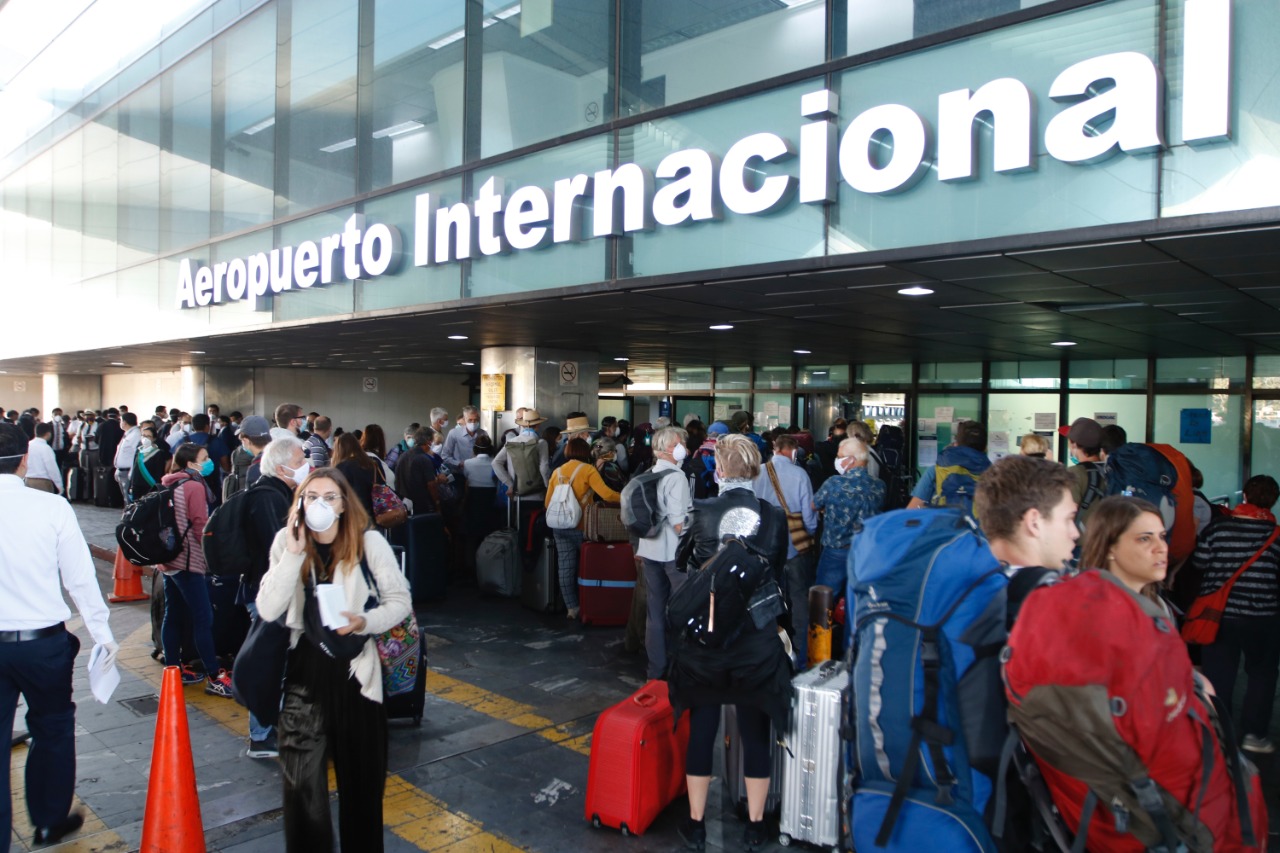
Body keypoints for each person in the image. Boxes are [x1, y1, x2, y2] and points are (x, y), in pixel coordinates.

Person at [257, 467, 411, 852]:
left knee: (362, 791)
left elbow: (400, 602)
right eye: (311, 497)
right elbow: (268, 607)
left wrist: (364, 621)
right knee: (302, 792)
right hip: (303, 677)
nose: (320, 504)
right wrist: (293, 555)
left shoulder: (368, 542)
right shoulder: (285, 542)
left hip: (358, 676)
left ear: (344, 505)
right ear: (299, 503)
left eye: (329, 497)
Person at [668, 433, 791, 852]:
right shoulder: (773, 517)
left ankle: (697, 824)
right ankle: (756, 826)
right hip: (756, 639)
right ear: (754, 470)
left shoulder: (700, 510)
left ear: (718, 470)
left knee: (702, 731)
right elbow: (775, 567)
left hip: (707, 639)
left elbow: (684, 561)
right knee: (754, 731)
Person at [0, 422, 117, 847]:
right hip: (42, 643)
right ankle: (48, 821)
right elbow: (81, 579)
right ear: (25, 458)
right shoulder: (50, 507)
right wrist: (103, 637)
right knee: (51, 727)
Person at [1192, 475, 1280, 753]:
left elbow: (1199, 562)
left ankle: (1219, 734)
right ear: (1274, 502)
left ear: (1244, 497)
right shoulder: (1276, 536)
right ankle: (1254, 735)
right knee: (1262, 674)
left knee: (1219, 674)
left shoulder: (1218, 528)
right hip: (1263, 616)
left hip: (1219, 615)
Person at [240, 437, 309, 759]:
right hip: (267, 595)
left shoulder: (279, 492)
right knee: (267, 665)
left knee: (278, 664)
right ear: (281, 467)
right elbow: (278, 550)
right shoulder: (268, 498)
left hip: (274, 592)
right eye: (299, 461)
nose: (304, 465)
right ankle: (261, 735)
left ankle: (273, 728)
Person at [159, 443, 235, 697]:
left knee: (173, 614)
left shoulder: (170, 482)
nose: (209, 461)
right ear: (191, 464)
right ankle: (215, 676)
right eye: (204, 458)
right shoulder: (193, 486)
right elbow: (200, 526)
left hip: (168, 560)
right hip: (188, 562)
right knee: (204, 618)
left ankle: (173, 668)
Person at [974, 455, 1079, 624]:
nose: (1075, 533)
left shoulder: (960, 587)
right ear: (1034, 522)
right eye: (1069, 519)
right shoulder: (1058, 603)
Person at [753, 433, 818, 664]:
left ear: (775, 448)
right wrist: (808, 534)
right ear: (793, 451)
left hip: (765, 545)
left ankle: (771, 646)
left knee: (768, 595)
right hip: (793, 544)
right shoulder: (800, 473)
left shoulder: (758, 471)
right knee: (799, 596)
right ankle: (801, 650)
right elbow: (808, 514)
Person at [635, 427, 693, 680]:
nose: (686, 449)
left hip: (649, 550)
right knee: (684, 609)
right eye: (681, 443)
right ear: (670, 448)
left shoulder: (649, 474)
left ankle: (654, 672)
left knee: (655, 613)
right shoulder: (676, 476)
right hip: (673, 554)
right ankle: (684, 667)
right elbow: (679, 523)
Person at [544, 438, 622, 620]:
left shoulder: (557, 472)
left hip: (560, 526)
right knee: (591, 566)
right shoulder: (588, 470)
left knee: (565, 567)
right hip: (582, 527)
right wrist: (626, 497)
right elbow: (607, 494)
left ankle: (572, 608)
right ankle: (592, 604)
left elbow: (548, 502)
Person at [812, 437, 885, 592]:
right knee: (859, 598)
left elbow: (814, 505)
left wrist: (827, 509)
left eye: (839, 457)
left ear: (851, 460)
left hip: (836, 551)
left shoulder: (834, 483)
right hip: (866, 551)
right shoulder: (879, 485)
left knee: (824, 599)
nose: (837, 460)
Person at [1079, 495, 1170, 608]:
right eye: (1144, 539)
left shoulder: (1158, 606)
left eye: (1162, 536)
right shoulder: (1085, 606)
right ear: (1109, 548)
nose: (1162, 548)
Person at [906, 420, 990, 510]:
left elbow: (912, 510)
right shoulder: (994, 474)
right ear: (985, 448)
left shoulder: (935, 470)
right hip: (980, 523)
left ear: (956, 444)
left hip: (943, 523)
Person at [1059, 417, 1107, 529]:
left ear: (1074, 445)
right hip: (1106, 538)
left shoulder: (1074, 473)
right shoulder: (1110, 470)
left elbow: (1067, 513)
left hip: (1084, 542)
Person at [493, 410, 550, 495]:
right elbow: (544, 468)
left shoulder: (511, 442)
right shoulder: (541, 443)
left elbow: (495, 463)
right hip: (537, 492)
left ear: (522, 425)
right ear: (538, 425)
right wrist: (547, 486)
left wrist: (510, 484)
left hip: (516, 491)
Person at [395, 426, 442, 515]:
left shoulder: (403, 456)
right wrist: (437, 503)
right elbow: (431, 485)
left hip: (403, 503)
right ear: (429, 442)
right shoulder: (424, 459)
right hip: (421, 504)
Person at [333, 433, 377, 519]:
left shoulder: (342, 467)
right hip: (372, 512)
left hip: (351, 514)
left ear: (339, 449)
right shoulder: (371, 463)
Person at [440, 405, 488, 470]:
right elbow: (445, 456)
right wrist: (458, 463)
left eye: (475, 420)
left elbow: (487, 454)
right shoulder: (454, 433)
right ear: (464, 419)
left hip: (477, 472)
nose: (473, 423)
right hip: (459, 473)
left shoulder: (483, 434)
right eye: (470, 420)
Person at [24, 423, 62, 494]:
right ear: (48, 434)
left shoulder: (27, 445)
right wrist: (59, 485)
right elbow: (52, 468)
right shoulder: (46, 448)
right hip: (43, 482)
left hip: (27, 480)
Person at [112, 412, 141, 500]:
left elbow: (136, 455)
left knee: (129, 499)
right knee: (125, 498)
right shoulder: (128, 434)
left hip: (128, 472)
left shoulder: (136, 434)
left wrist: (131, 472)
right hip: (121, 471)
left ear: (124, 422)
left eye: (121, 420)